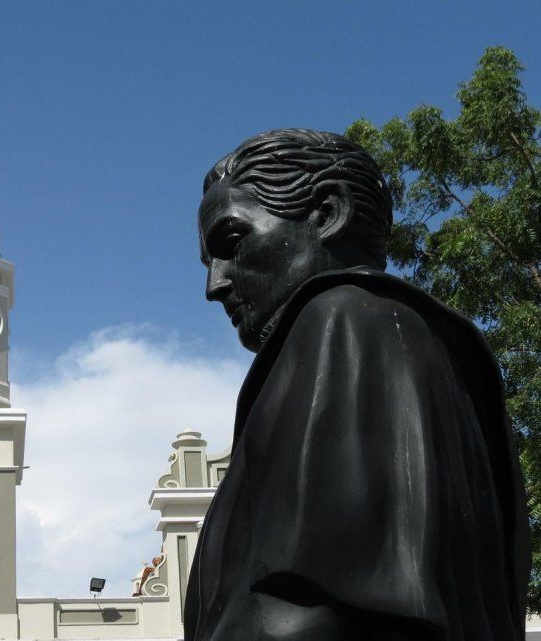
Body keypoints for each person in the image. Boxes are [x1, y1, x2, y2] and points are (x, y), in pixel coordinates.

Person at [185, 129, 529, 640]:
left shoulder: (342, 322)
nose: (216, 284)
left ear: (328, 213)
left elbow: (308, 604)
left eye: (232, 242)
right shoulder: (425, 347)